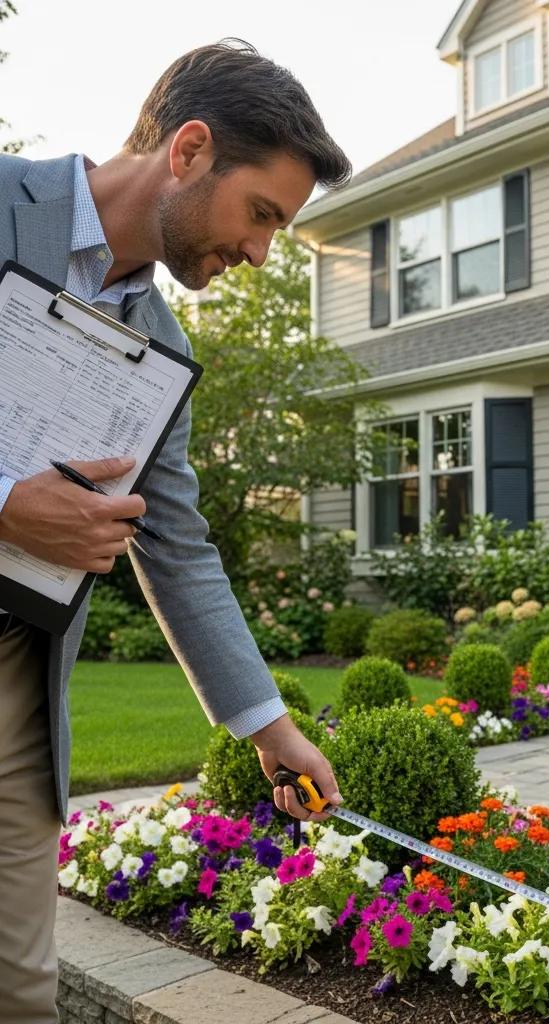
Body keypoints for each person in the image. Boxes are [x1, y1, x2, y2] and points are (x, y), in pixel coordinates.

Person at [0, 41, 349, 1021]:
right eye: (263, 214)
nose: (260, 251)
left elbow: (178, 544)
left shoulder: (164, 344)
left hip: (17, 690)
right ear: (189, 150)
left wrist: (268, 728)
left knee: (21, 992)